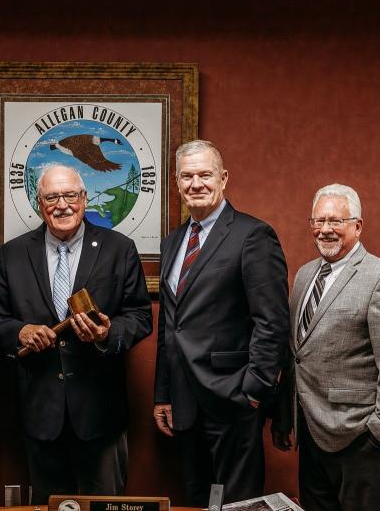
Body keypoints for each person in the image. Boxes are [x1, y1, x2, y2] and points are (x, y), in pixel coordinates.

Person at [0, 163, 152, 504]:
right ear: (39, 202)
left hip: (100, 414)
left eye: (70, 195)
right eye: (51, 197)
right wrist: (21, 331)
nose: (62, 205)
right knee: (50, 505)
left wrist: (107, 333)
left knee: (106, 506)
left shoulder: (119, 248)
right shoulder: (13, 254)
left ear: (85, 199)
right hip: (40, 414)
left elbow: (139, 316)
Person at [153, 139, 289, 506]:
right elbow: (171, 326)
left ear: (223, 178)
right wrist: (163, 393)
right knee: (197, 499)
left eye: (205, 175)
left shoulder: (253, 235)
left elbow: (272, 321)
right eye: (187, 176)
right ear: (177, 183)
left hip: (233, 399)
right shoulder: (173, 242)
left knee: (237, 503)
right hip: (184, 403)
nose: (196, 183)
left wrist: (253, 391)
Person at [272, 183, 380, 511]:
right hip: (311, 434)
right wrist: (286, 418)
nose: (325, 230)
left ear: (357, 225)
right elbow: (295, 355)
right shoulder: (305, 276)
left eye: (335, 221)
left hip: (361, 439)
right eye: (318, 221)